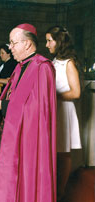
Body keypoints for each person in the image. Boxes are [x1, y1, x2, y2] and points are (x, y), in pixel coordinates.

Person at [0, 23, 57, 202]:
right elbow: (11, 101)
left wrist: (2, 106)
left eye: (13, 43)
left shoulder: (42, 68)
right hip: (10, 139)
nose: (10, 48)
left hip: (28, 143)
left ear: (27, 44)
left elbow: (39, 111)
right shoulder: (19, 68)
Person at [46, 25, 81, 201]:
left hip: (64, 109)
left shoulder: (68, 63)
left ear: (58, 42)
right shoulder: (53, 62)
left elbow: (76, 92)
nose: (47, 45)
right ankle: (53, 189)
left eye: (49, 41)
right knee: (53, 151)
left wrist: (54, 96)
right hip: (53, 109)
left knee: (63, 152)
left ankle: (60, 192)